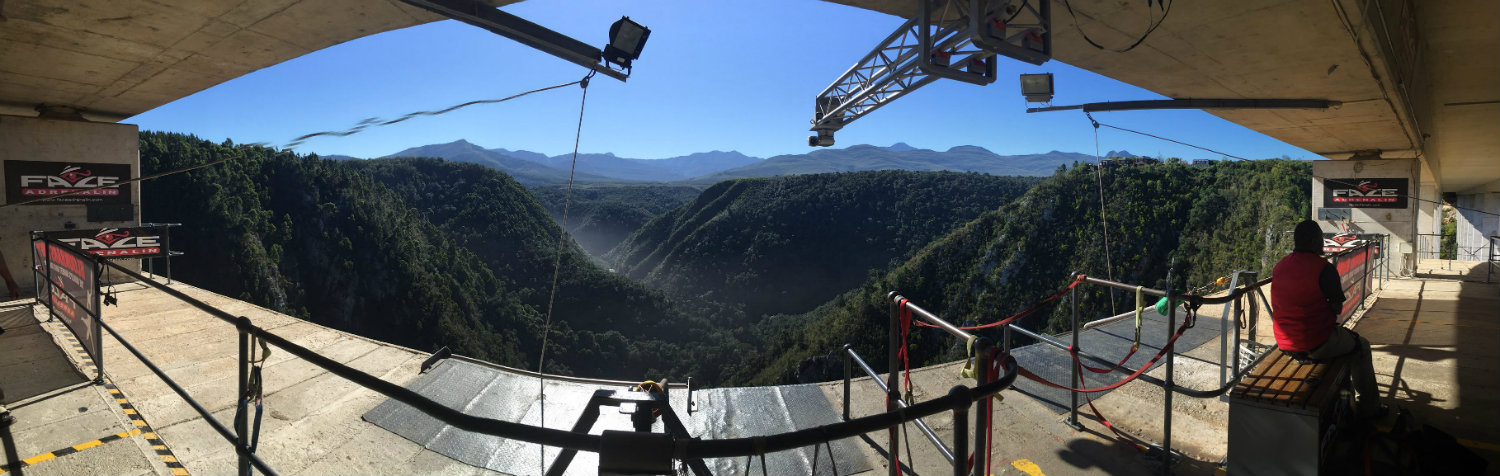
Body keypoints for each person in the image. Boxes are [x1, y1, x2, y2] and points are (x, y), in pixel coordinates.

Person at [1272, 220, 1386, 418]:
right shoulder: (1323, 268)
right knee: (1361, 346)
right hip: (1316, 343)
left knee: (1345, 344)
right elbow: (1337, 307)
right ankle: (1370, 408)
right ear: (1315, 241)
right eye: (1320, 238)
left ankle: (1345, 395)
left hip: (1284, 343)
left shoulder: (1280, 266)